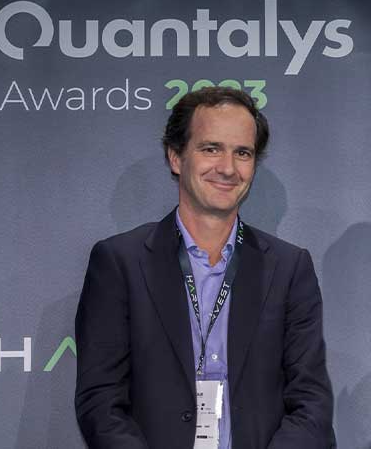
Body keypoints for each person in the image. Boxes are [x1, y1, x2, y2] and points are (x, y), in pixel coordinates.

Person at [74, 87, 334, 449]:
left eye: (242, 153)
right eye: (211, 149)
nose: (227, 168)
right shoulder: (120, 262)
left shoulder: (290, 268)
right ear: (176, 157)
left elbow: (312, 402)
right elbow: (100, 402)